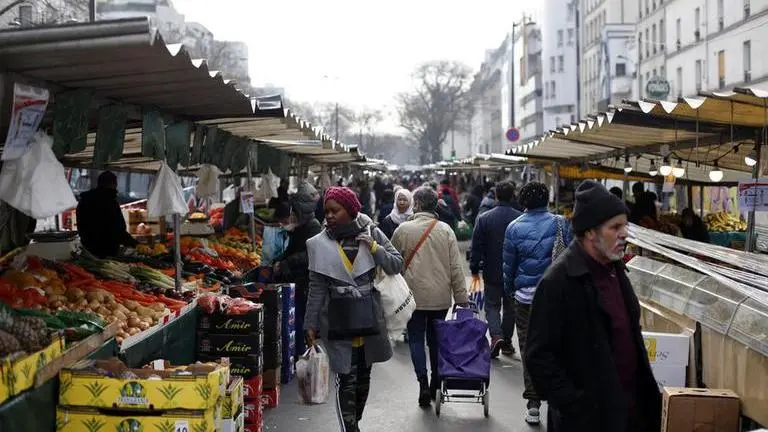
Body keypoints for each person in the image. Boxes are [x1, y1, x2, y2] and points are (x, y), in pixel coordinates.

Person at [524, 180, 661, 432]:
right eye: (615, 227)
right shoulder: (559, 281)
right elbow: (539, 356)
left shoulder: (616, 270)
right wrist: (576, 406)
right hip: (588, 421)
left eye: (625, 225)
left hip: (631, 413)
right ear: (590, 232)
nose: (624, 233)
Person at [304, 187, 403, 432]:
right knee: (346, 379)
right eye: (326, 211)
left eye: (334, 210)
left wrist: (374, 248)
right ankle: (350, 428)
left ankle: (354, 421)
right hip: (337, 321)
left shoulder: (373, 233)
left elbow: (396, 264)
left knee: (363, 380)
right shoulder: (318, 244)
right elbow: (316, 287)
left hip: (369, 318)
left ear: (349, 210)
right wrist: (310, 324)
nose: (329, 215)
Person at [391, 186, 469, 407]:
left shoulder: (403, 230)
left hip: (412, 297)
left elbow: (394, 264)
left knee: (415, 339)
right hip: (440, 297)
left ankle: (422, 383)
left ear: (416, 204)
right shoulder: (445, 230)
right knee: (436, 339)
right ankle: (436, 380)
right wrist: (461, 298)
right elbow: (456, 267)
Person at [502, 181, 572, 425]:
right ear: (546, 199)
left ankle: (533, 404)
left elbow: (508, 267)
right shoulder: (561, 223)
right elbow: (571, 258)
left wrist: (509, 290)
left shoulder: (513, 228)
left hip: (525, 299)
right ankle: (556, 402)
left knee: (529, 350)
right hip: (556, 299)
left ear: (523, 201)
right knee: (556, 348)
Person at [470, 181, 522, 358]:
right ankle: (507, 341)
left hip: (492, 270)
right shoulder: (520, 218)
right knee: (510, 308)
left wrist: (474, 268)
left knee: (492, 305)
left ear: (496, 195)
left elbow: (476, 246)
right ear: (513, 194)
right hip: (514, 271)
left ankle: (496, 336)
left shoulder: (484, 218)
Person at [273, 183, 323, 361]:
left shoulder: (313, 226)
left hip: (305, 281)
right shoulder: (301, 227)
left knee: (302, 318)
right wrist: (281, 260)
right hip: (297, 280)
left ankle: (304, 355)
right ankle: (300, 354)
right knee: (298, 317)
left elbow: (309, 255)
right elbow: (294, 249)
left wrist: (287, 262)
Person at [76, 171, 138, 258]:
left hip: (88, 250)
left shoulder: (84, 201)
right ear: (114, 184)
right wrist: (135, 244)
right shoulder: (110, 201)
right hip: (107, 252)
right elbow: (118, 230)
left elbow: (80, 226)